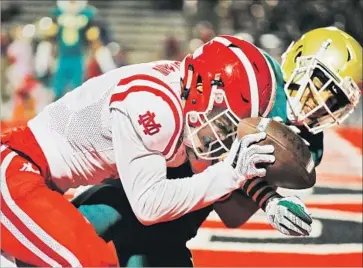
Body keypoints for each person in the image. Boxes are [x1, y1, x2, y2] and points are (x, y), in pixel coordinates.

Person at [63, 27, 362, 266]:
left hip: (185, 214)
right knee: (74, 233)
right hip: (155, 169)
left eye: (336, 101)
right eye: (323, 86)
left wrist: (256, 189)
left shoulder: (308, 148)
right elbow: (206, 142)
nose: (322, 103)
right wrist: (267, 197)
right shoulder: (259, 76)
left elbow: (233, 213)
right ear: (299, 60)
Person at [0, 36, 277, 267]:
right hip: (16, 167)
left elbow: (212, 170)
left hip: (38, 177)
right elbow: (149, 205)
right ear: (205, 90)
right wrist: (230, 174)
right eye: (224, 119)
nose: (225, 132)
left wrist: (269, 199)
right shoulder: (154, 105)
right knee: (87, 261)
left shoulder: (184, 93)